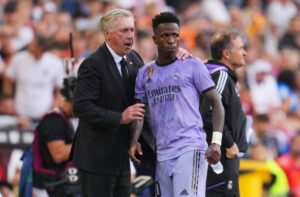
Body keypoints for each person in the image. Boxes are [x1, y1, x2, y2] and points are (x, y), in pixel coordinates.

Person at [70, 9, 189, 197]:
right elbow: (81, 107)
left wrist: (174, 59)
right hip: (96, 157)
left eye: (132, 30)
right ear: (107, 34)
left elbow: (151, 83)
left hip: (122, 155)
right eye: (123, 31)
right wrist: (120, 117)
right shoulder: (93, 64)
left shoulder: (133, 58)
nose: (130, 36)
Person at [129, 12, 224, 197]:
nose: (171, 40)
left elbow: (217, 102)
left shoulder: (192, 65)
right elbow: (139, 111)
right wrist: (134, 140)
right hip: (163, 152)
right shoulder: (144, 73)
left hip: (191, 147)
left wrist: (216, 142)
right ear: (155, 39)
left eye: (175, 35)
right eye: (165, 36)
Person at [199, 29, 248, 197]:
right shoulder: (220, 75)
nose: (245, 53)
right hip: (219, 158)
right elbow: (208, 112)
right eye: (241, 48)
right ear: (226, 54)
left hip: (225, 158)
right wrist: (228, 142)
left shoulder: (224, 76)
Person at [32, 77, 76, 197]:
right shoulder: (54, 120)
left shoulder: (66, 121)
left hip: (61, 184)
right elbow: (58, 154)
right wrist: (88, 143)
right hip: (49, 186)